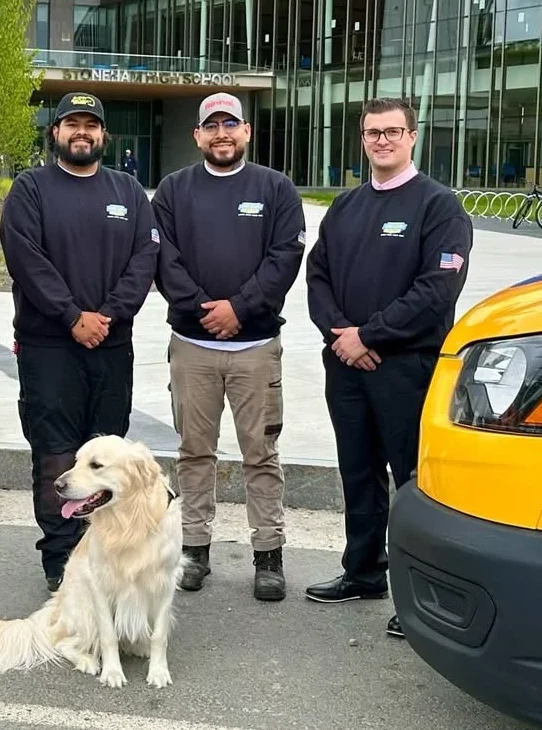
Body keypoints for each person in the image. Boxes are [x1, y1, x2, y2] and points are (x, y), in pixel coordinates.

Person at [303, 97, 473, 637]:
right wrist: (342, 337)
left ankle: (416, 596)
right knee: (358, 472)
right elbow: (318, 277)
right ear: (362, 139)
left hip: (406, 367)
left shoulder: (439, 206)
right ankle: (363, 572)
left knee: (412, 481)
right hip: (346, 365)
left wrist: (369, 335)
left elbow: (436, 289)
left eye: (393, 131)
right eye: (373, 132)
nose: (382, 140)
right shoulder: (346, 207)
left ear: (412, 137)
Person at [0, 92, 159, 593]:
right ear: (56, 131)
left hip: (111, 346)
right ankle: (60, 559)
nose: (82, 132)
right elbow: (26, 258)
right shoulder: (31, 189)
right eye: (73, 123)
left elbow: (144, 259)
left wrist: (107, 316)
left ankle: (104, 554)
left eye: (91, 124)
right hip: (50, 346)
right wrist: (72, 317)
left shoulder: (129, 191)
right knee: (55, 452)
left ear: (104, 135)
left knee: (106, 454)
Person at [152, 92, 306, 602]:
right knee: (194, 452)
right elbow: (164, 261)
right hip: (192, 346)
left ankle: (268, 556)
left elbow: (284, 258)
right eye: (211, 125)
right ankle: (194, 549)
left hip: (257, 347)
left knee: (261, 453)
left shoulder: (276, 189)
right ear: (197, 135)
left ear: (247, 132)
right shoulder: (174, 191)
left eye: (230, 124)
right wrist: (204, 309)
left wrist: (239, 309)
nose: (221, 133)